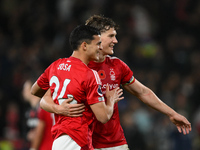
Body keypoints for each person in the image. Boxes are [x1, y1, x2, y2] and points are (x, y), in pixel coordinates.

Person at [40, 15, 192, 150]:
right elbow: (44, 98)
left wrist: (171, 113)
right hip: (85, 142)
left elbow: (143, 92)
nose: (115, 41)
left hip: (115, 143)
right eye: (111, 36)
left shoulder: (117, 66)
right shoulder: (76, 67)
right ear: (97, 37)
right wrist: (58, 108)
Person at [31, 25, 124, 150]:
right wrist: (111, 99)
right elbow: (103, 117)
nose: (100, 48)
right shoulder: (89, 74)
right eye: (97, 44)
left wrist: (57, 108)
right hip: (77, 139)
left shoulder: (55, 66)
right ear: (84, 46)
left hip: (59, 139)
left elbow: (35, 91)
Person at [23, 80, 54, 150]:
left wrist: (33, 148)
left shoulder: (43, 108)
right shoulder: (58, 106)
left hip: (45, 146)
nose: (23, 92)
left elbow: (39, 133)